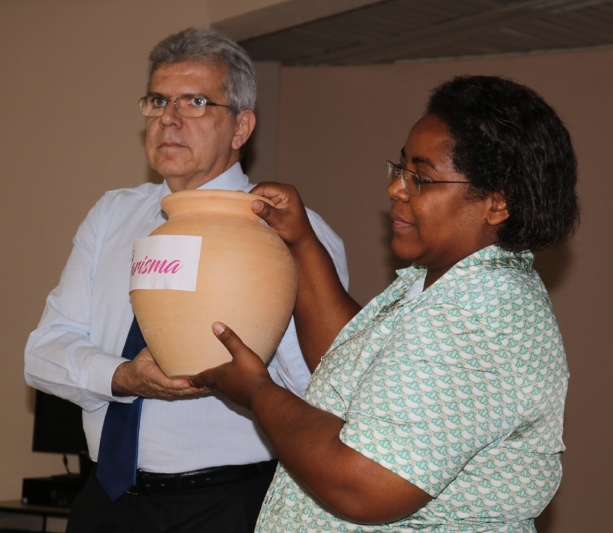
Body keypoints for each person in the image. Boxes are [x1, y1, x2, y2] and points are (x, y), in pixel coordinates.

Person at [192, 75, 579, 532]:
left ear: (497, 204)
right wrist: (300, 241)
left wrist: (258, 391)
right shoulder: (443, 278)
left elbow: (366, 485)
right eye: (400, 168)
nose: (396, 188)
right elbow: (351, 369)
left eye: (421, 178)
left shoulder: (483, 312)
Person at [24, 27, 348, 533]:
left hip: (227, 505)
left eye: (195, 102)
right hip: (105, 501)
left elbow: (325, 389)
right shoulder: (112, 215)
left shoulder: (293, 231)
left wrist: (270, 280)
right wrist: (123, 377)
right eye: (158, 101)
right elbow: (43, 354)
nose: (169, 119)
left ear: (241, 127)